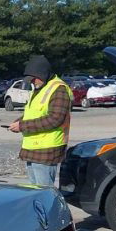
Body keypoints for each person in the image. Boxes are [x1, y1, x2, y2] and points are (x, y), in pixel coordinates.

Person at [8, 55, 71, 187]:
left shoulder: (59, 89)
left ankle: (50, 208)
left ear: (43, 74)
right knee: (34, 191)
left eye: (34, 79)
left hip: (47, 150)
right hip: (34, 148)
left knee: (44, 192)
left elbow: (55, 119)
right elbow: (34, 113)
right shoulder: (39, 88)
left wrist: (22, 126)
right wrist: (18, 122)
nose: (32, 82)